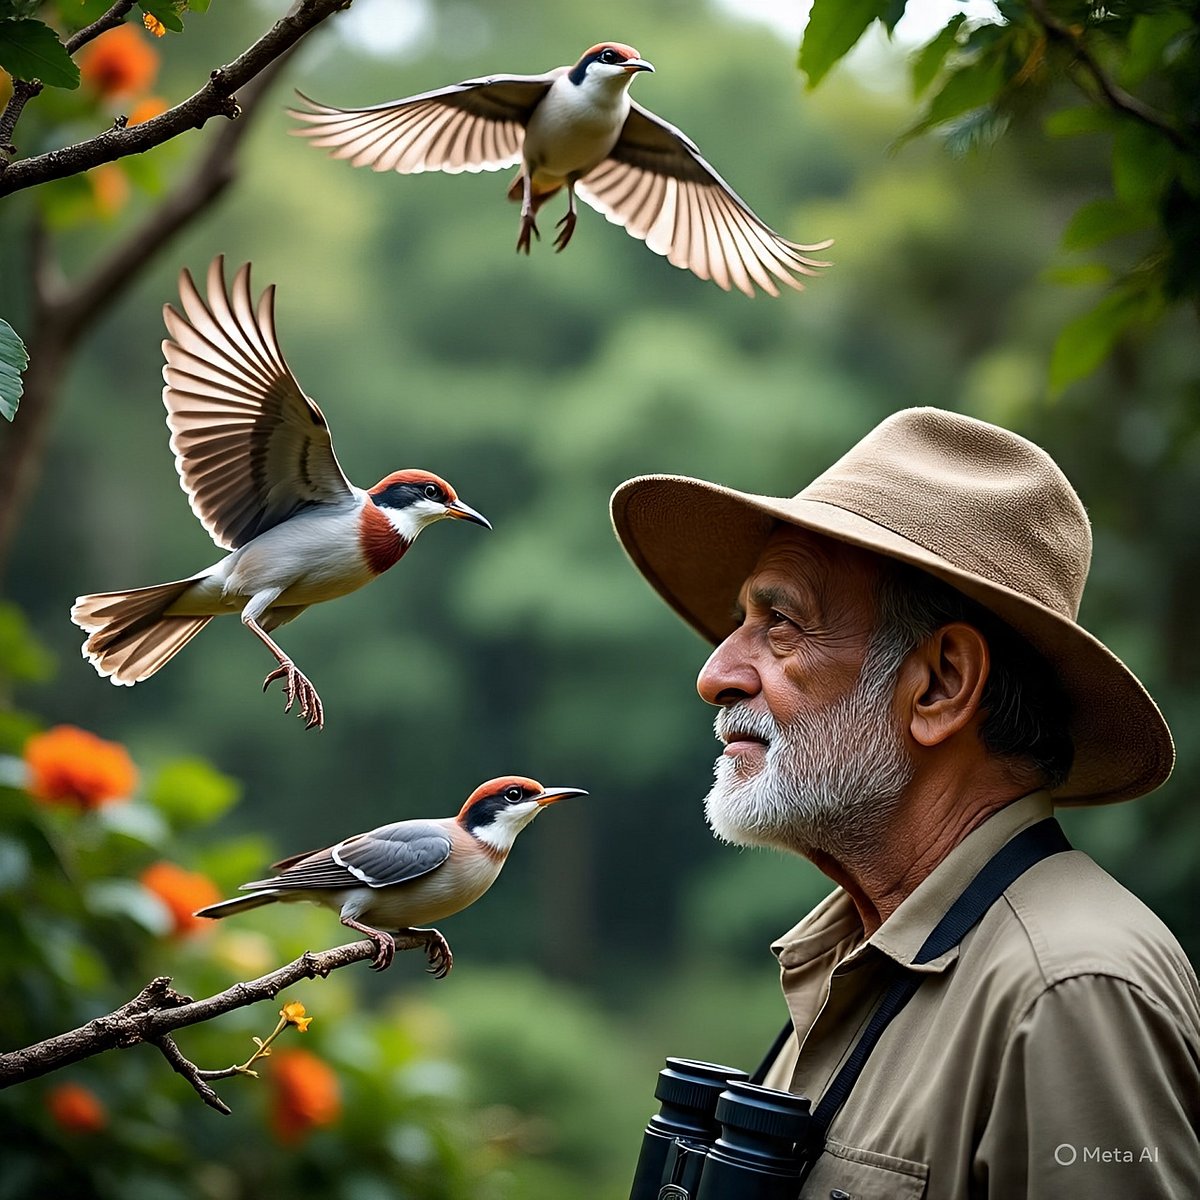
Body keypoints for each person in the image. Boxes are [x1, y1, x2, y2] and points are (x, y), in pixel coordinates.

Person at [610, 407, 1200, 1199]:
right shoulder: (864, 954)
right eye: (737, 622)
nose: (716, 673)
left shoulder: (1069, 991)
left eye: (780, 622)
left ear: (942, 684)